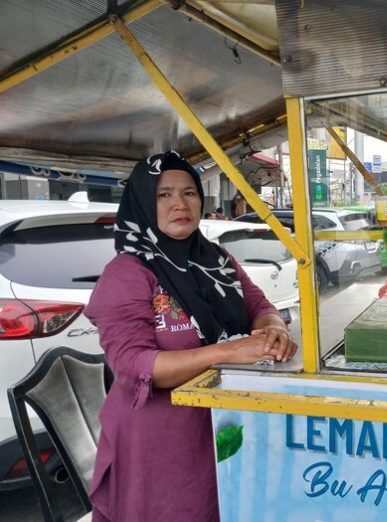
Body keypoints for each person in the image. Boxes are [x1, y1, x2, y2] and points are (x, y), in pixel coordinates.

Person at [85, 151, 297, 521]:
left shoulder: (216, 258)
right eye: (164, 195)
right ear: (143, 202)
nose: (180, 204)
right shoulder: (127, 273)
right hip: (162, 446)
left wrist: (273, 331)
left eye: (189, 192)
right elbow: (135, 366)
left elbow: (260, 307)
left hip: (225, 426)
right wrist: (229, 351)